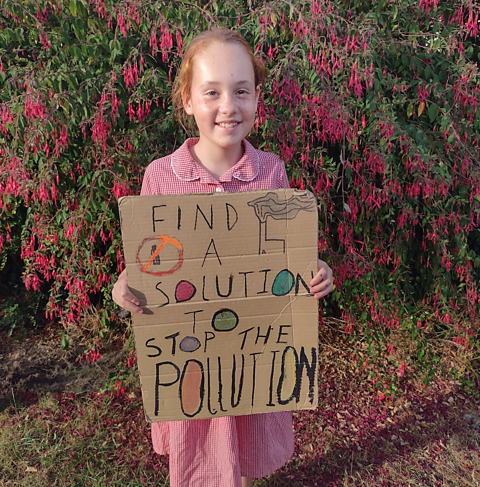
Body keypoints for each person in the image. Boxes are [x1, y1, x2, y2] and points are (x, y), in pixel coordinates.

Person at [112, 27, 334, 487]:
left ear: (256, 98)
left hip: (251, 358)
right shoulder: (160, 176)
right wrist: (125, 285)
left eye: (241, 91)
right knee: (200, 455)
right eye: (211, 92)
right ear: (188, 100)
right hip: (191, 358)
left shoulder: (271, 170)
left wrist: (315, 274)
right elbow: (152, 263)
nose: (228, 106)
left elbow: (288, 258)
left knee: (243, 445)